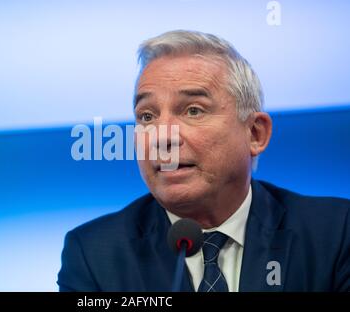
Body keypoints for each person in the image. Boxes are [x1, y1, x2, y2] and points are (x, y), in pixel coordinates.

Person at [57, 30, 350, 291]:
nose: (162, 136)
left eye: (193, 111)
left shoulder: (335, 234)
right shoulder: (94, 255)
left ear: (255, 133)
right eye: (147, 116)